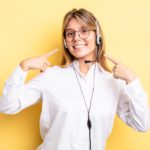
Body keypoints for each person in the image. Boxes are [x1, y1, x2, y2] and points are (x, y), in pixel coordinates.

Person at [0, 8, 149, 150]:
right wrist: (23, 67)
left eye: (84, 31)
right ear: (65, 41)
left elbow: (142, 124)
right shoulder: (51, 76)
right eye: (70, 33)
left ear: (97, 36)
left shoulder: (114, 82)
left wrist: (132, 80)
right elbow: (7, 106)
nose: (76, 37)